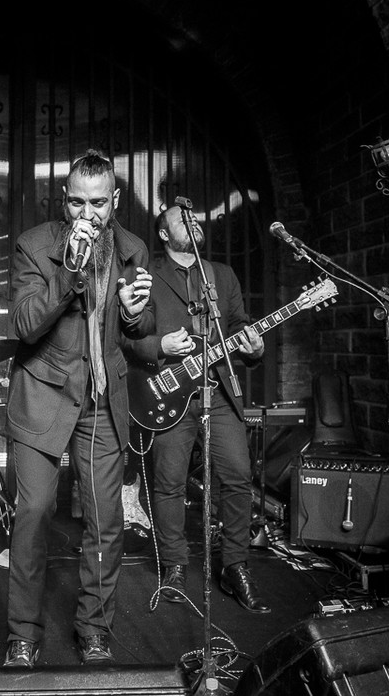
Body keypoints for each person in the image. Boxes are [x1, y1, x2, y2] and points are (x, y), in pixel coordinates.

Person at [2, 149, 154, 667]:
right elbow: (25, 325)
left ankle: (94, 629)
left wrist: (135, 315)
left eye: (97, 204)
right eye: (75, 203)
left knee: (106, 520)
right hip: (43, 393)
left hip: (101, 399)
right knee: (34, 513)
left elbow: (140, 329)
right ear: (63, 200)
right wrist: (69, 271)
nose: (86, 215)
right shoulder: (34, 245)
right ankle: (23, 633)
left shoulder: (133, 248)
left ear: (115, 200)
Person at [121, 206, 270, 613]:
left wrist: (254, 345)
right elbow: (127, 336)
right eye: (182, 221)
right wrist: (160, 346)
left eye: (196, 220)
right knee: (168, 480)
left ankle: (235, 566)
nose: (194, 223)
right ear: (164, 235)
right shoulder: (147, 274)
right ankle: (174, 565)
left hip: (219, 390)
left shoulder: (222, 275)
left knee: (237, 476)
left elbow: (238, 326)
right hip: (169, 392)